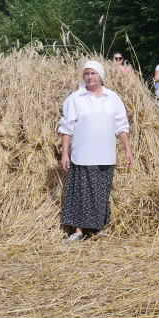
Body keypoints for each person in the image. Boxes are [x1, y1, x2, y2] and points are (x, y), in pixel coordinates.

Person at [58, 60, 133, 243]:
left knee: (101, 193)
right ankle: (79, 231)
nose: (89, 77)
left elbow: (121, 126)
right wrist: (65, 153)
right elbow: (67, 128)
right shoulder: (75, 98)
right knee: (81, 194)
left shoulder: (112, 98)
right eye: (86, 73)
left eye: (93, 73)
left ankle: (99, 228)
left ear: (101, 76)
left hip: (105, 154)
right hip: (82, 154)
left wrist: (128, 150)